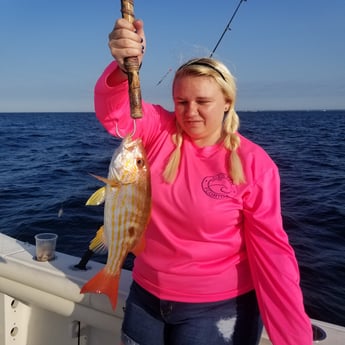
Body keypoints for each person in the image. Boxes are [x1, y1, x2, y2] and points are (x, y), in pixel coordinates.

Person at [94, 17, 313, 345]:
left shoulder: (254, 165)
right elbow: (118, 116)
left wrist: (294, 338)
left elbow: (273, 254)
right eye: (181, 102)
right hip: (145, 298)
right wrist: (122, 69)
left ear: (227, 102)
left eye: (203, 102)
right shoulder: (158, 132)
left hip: (218, 307)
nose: (190, 112)